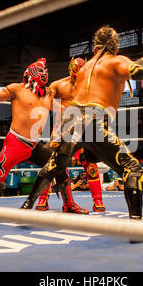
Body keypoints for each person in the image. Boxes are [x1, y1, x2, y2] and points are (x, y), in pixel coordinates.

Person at [21, 25, 143, 226]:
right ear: (114, 45)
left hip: (72, 119)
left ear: (96, 47)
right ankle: (135, 224)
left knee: (55, 164)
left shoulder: (85, 68)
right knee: (133, 169)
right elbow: (141, 70)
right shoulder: (116, 61)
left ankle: (27, 206)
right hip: (95, 120)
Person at [0, 58, 88, 214]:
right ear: (30, 72)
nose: (43, 73)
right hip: (15, 143)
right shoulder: (17, 89)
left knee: (59, 166)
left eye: (45, 70)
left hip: (34, 145)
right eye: (40, 69)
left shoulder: (46, 95)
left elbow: (62, 110)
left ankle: (68, 204)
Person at [35, 59, 107, 212]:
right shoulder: (58, 85)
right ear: (71, 70)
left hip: (84, 128)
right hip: (62, 128)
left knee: (89, 163)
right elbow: (44, 100)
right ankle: (42, 200)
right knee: (52, 162)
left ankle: (98, 201)